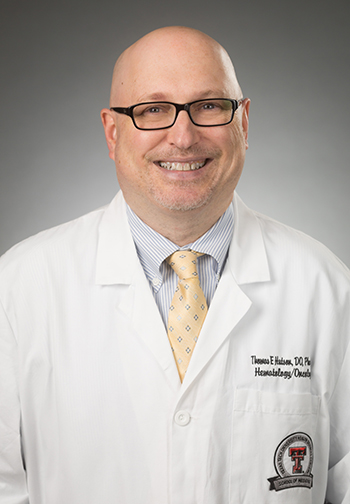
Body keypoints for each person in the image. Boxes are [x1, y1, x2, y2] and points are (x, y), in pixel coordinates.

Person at [0, 26, 349, 504]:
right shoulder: (19, 289)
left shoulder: (327, 289)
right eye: (153, 110)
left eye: (208, 106)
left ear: (243, 123)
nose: (183, 137)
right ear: (112, 131)